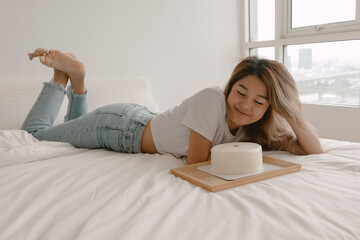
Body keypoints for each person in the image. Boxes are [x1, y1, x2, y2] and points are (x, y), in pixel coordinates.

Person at [22, 48, 323, 165]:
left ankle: (76, 80)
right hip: (118, 128)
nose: (245, 105)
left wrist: (293, 114)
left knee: (70, 132)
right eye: (241, 92)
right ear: (231, 86)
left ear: (271, 108)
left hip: (135, 120)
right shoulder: (212, 99)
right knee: (35, 134)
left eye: (259, 102)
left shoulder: (255, 127)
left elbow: (313, 150)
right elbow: (197, 163)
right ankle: (61, 76)